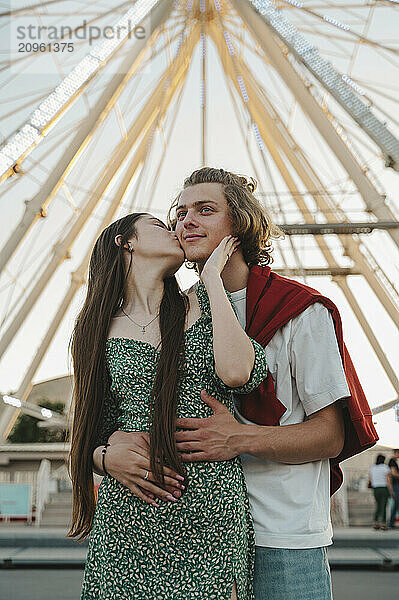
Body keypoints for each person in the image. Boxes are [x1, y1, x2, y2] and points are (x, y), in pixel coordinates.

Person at [93, 167, 378, 600]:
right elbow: (124, 402)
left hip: (280, 531)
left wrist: (238, 438)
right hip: (189, 521)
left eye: (205, 210)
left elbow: (331, 436)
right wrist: (107, 449)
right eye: (180, 211)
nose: (185, 220)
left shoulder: (301, 312)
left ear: (240, 225)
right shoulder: (174, 314)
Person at [67, 212, 269, 600]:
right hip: (131, 509)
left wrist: (211, 281)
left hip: (210, 508)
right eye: (160, 225)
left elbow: (238, 372)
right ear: (124, 242)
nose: (176, 230)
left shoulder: (201, 301)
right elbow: (89, 432)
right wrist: (106, 459)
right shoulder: (96, 327)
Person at [369, 454, 393, 530]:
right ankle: (383, 524)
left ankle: (375, 522)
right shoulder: (385, 468)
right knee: (383, 506)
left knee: (378, 506)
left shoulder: (372, 468)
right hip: (384, 488)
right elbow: (388, 480)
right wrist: (391, 491)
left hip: (375, 488)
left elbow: (370, 479)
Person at [388, 448, 399, 529]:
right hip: (395, 486)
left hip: (396, 485)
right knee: (396, 504)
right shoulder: (392, 461)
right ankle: (391, 523)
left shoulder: (394, 461)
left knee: (396, 504)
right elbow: (393, 473)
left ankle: (392, 523)